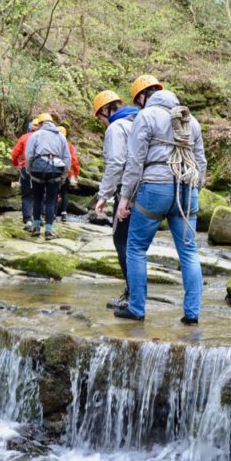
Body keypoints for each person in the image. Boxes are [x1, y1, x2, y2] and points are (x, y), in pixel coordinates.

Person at [116, 74, 206, 325]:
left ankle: (136, 308)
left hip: (154, 188)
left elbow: (135, 161)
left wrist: (125, 197)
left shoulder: (146, 116)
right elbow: (201, 163)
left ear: (143, 97)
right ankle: (192, 313)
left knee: (136, 248)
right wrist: (195, 188)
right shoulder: (191, 120)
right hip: (187, 188)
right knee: (189, 252)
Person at [93, 89, 139, 310]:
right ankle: (134, 295)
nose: (102, 122)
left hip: (127, 192)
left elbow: (115, 164)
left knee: (121, 241)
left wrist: (103, 196)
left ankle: (133, 296)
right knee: (135, 245)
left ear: (105, 110)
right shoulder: (138, 122)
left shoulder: (116, 127)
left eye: (100, 118)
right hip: (148, 189)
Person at [23, 118, 71, 240]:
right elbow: (67, 158)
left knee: (37, 199)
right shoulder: (61, 136)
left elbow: (29, 154)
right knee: (50, 201)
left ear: (41, 125)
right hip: (55, 171)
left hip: (37, 170)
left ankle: (36, 228)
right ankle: (49, 231)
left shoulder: (36, 135)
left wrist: (29, 170)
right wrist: (64, 176)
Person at [11, 114, 49, 231]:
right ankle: (40, 217)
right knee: (40, 194)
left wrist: (17, 164)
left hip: (25, 168)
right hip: (41, 168)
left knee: (27, 195)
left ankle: (28, 220)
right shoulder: (45, 138)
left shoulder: (24, 137)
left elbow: (14, 154)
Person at [56, 125, 80, 223]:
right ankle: (64, 213)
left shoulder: (54, 144)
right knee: (64, 193)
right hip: (67, 172)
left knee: (54, 192)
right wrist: (76, 173)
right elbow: (73, 160)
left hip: (55, 170)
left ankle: (52, 214)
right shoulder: (69, 145)